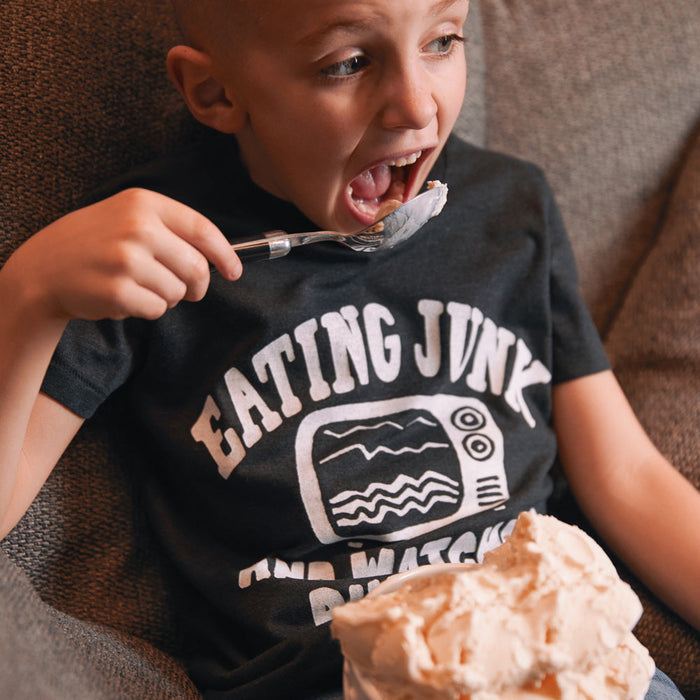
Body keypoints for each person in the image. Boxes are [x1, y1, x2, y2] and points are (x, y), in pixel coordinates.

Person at [0, 0, 698, 698]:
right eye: (349, 63)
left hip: (559, 656)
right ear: (215, 93)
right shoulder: (147, 248)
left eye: (443, 41)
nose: (415, 104)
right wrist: (30, 293)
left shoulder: (510, 207)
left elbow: (626, 475)